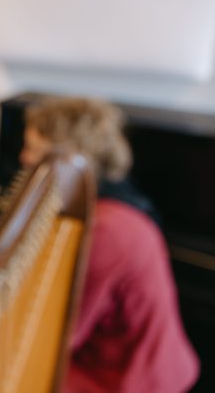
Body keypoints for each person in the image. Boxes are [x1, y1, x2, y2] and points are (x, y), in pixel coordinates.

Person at [20, 96, 199, 393]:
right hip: (102, 352)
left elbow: (61, 334)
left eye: (36, 152)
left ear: (74, 161)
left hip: (131, 375)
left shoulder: (107, 230)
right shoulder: (103, 201)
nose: (24, 159)